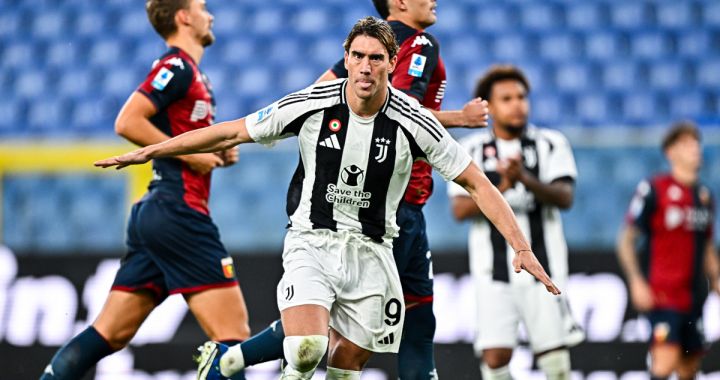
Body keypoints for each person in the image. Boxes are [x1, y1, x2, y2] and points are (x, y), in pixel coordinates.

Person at [95, 17, 560, 380]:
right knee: (305, 349)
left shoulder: (415, 121)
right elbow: (233, 129)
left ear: (391, 65)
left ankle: (228, 363)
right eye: (357, 56)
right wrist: (153, 149)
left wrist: (521, 247)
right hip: (312, 241)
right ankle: (238, 363)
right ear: (346, 57)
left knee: (346, 365)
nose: (365, 66)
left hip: (375, 253)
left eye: (376, 58)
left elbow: (478, 182)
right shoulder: (313, 102)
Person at [221, 0, 489, 378]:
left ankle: (231, 361)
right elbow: (398, 109)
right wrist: (458, 118)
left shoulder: (364, 47)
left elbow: (318, 94)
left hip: (409, 202)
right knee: (337, 327)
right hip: (382, 212)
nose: (433, 1)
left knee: (414, 315)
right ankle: (233, 361)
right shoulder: (412, 46)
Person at [40, 1, 251, 379]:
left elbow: (181, 134)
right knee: (233, 338)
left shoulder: (195, 74)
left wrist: (214, 150)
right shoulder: (176, 67)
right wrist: (191, 157)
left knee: (111, 332)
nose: (210, 14)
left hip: (157, 213)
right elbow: (128, 120)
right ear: (184, 17)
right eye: (202, 7)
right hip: (178, 210)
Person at [447, 65, 584, 380]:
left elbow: (564, 197)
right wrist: (504, 187)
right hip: (492, 270)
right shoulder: (471, 150)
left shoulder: (551, 143)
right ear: (490, 107)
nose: (517, 104)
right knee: (495, 355)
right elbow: (460, 210)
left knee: (554, 356)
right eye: (506, 98)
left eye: (521, 97)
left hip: (545, 265)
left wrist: (524, 178)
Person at [617, 121, 719, 380]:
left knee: (689, 367)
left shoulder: (704, 196)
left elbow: (706, 245)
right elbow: (626, 240)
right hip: (663, 295)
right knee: (664, 362)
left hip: (695, 296)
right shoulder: (654, 189)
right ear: (670, 152)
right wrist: (636, 282)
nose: (694, 148)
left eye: (696, 143)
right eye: (686, 143)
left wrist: (716, 277)